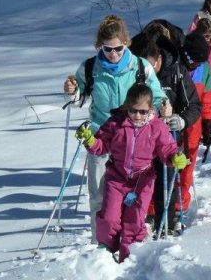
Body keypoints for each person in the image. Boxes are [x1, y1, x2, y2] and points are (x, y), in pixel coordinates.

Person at [63, 15, 170, 244]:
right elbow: (79, 98)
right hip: (101, 137)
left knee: (132, 197)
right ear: (99, 46)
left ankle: (129, 242)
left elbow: (158, 96)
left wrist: (158, 110)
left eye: (118, 48)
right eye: (107, 48)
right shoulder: (90, 67)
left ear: (126, 43)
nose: (113, 53)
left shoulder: (141, 67)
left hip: (134, 139)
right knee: (100, 197)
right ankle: (100, 246)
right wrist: (73, 91)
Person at [74, 83, 188, 262]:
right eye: (133, 111)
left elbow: (167, 148)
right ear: (127, 106)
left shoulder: (156, 126)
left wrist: (174, 157)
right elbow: (101, 146)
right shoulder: (115, 123)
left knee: (134, 221)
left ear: (150, 108)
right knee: (110, 218)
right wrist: (90, 140)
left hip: (142, 180)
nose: (137, 116)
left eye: (143, 112)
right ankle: (106, 255)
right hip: (117, 178)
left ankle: (130, 259)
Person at [129, 30, 203, 235]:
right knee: (139, 181)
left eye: (150, 66)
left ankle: (167, 223)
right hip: (139, 136)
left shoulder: (177, 71)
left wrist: (181, 120)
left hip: (166, 137)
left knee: (165, 176)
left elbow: (194, 105)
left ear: (159, 59)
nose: (146, 72)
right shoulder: (134, 72)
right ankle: (141, 219)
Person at [178, 32, 211, 215]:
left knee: (187, 167)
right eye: (194, 61)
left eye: (199, 62)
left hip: (194, 125)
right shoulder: (176, 65)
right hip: (174, 122)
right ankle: (156, 209)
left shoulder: (204, 68)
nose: (196, 65)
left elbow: (207, 97)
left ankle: (180, 207)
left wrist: (209, 123)